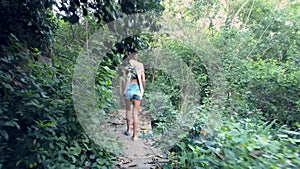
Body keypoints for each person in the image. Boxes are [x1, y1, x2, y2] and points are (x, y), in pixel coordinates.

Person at [121, 52, 146, 141]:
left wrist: (123, 91)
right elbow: (143, 79)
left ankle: (128, 130)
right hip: (137, 89)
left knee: (128, 110)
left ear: (128, 56)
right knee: (135, 112)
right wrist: (142, 90)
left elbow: (124, 80)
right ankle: (135, 136)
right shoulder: (140, 65)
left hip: (129, 88)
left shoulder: (126, 66)